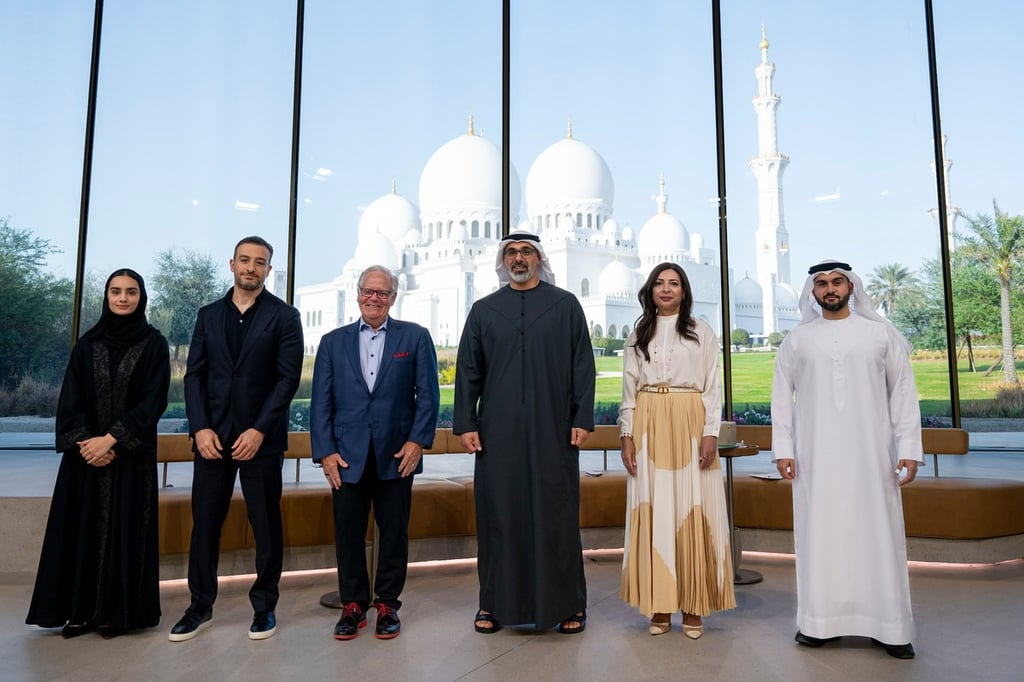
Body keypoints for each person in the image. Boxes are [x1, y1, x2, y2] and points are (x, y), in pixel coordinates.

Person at [771, 259, 922, 660]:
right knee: (820, 535)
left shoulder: (880, 335)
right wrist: (783, 450)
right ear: (813, 292)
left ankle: (890, 628)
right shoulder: (797, 341)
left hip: (872, 457)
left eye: (837, 281)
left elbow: (903, 394)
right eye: (821, 283)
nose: (830, 288)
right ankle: (820, 624)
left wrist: (909, 449)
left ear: (851, 287)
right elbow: (781, 401)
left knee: (878, 534)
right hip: (814, 458)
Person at [454, 231, 596, 635]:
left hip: (555, 431)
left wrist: (581, 419)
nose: (519, 258)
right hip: (497, 435)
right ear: (504, 261)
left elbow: (582, 366)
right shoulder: (484, 311)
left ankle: (569, 605)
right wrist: (466, 423)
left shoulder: (565, 306)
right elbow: (468, 371)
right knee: (500, 514)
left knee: (557, 515)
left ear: (539, 259)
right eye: (512, 252)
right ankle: (493, 605)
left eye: (526, 252)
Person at [169, 236, 303, 642]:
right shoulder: (208, 315)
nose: (251, 267)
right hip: (212, 438)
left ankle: (264, 607)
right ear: (232, 264)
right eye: (244, 260)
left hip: (260, 439)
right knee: (205, 524)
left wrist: (259, 430)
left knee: (265, 525)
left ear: (267, 269)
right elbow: (194, 375)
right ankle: (199, 605)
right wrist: (200, 427)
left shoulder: (285, 316)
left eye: (259, 262)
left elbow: (287, 380)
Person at [27, 269, 170, 639]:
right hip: (84, 459)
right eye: (116, 291)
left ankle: (113, 613)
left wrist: (113, 440)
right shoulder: (87, 344)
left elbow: (153, 401)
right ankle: (79, 612)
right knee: (80, 530)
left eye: (131, 292)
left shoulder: (154, 344)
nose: (123, 298)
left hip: (130, 459)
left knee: (125, 531)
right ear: (106, 296)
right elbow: (69, 402)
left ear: (142, 297)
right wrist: (88, 444)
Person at [310, 265, 440, 641]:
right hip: (346, 458)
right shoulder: (333, 342)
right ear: (357, 294)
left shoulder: (415, 338)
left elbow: (428, 397)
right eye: (368, 291)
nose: (374, 298)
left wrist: (417, 442)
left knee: (395, 533)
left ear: (393, 298)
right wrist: (325, 453)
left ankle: (387, 604)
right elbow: (322, 404)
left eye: (382, 293)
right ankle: (353, 606)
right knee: (348, 534)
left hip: (397, 455)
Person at [618, 262, 736, 638]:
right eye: (659, 284)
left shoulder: (702, 331)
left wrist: (710, 433)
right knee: (654, 508)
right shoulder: (639, 332)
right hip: (648, 420)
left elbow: (713, 387)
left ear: (684, 291)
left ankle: (692, 603)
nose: (666, 289)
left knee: (691, 506)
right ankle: (659, 604)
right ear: (650, 291)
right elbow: (629, 386)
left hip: (689, 419)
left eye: (674, 284)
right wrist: (626, 434)